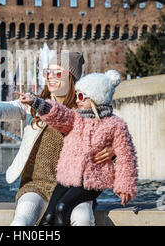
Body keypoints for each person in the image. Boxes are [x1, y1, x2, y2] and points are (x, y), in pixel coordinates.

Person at [0, 51, 116, 226]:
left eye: (58, 73)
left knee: (83, 219)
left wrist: (112, 149)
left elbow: (115, 135)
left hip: (72, 189)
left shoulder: (85, 110)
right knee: (21, 220)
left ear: (71, 78)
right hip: (36, 185)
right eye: (48, 72)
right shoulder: (33, 104)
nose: (51, 77)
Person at [16, 69, 138, 226]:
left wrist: (125, 186)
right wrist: (36, 102)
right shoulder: (76, 118)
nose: (77, 100)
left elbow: (126, 157)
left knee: (62, 208)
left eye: (81, 96)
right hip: (68, 178)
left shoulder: (115, 125)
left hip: (92, 181)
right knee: (47, 218)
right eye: (77, 94)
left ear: (95, 98)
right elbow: (58, 114)